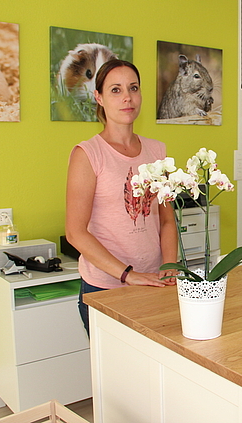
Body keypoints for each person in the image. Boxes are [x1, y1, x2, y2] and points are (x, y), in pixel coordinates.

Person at [65, 59, 178, 335]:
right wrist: (128, 274)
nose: (127, 97)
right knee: (117, 376)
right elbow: (75, 233)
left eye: (133, 88)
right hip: (106, 288)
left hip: (155, 284)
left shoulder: (157, 151)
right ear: (99, 97)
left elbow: (166, 220)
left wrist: (170, 265)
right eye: (115, 90)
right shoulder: (88, 154)